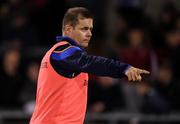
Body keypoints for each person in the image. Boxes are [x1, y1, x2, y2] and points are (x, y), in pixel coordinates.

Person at [30, 7, 150, 124]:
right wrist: (123, 68)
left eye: (90, 29)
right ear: (68, 30)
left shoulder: (59, 54)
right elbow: (92, 62)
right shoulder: (63, 53)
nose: (89, 34)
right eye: (84, 29)